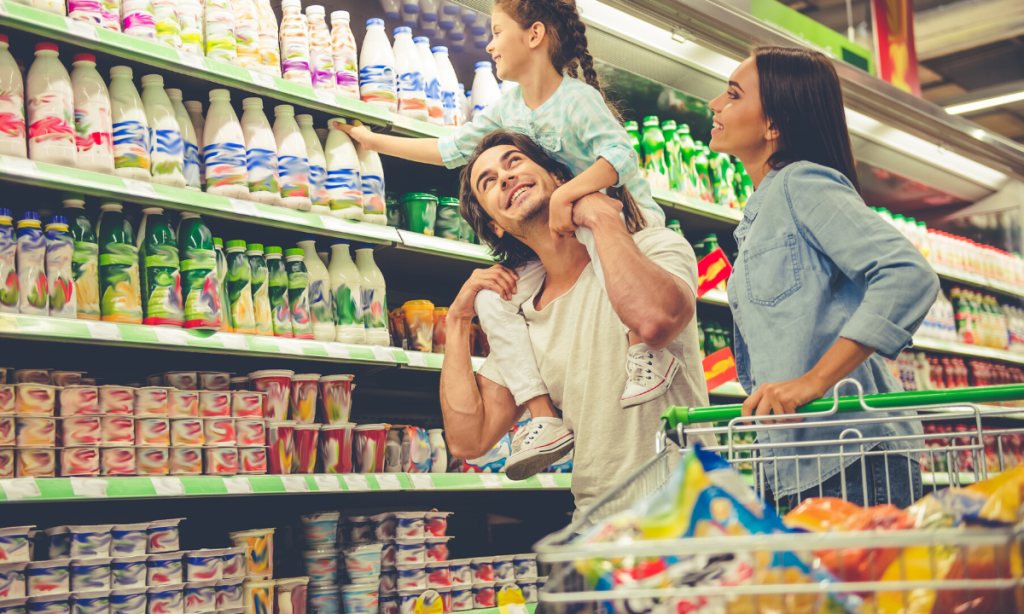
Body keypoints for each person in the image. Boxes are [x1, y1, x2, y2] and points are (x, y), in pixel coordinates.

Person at [341, 0, 676, 479]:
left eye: (497, 32)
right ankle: (542, 417)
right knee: (493, 299)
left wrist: (572, 196)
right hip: (566, 234)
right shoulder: (508, 109)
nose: (491, 45)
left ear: (535, 35)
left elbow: (621, 157)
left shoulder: (577, 99)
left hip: (621, 223)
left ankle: (644, 352)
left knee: (600, 242)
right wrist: (372, 140)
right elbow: (448, 149)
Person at [707, 46, 941, 509]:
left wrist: (813, 382)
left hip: (851, 454)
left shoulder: (802, 183)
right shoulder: (760, 211)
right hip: (802, 460)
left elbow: (907, 273)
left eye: (733, 94)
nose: (715, 103)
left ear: (774, 125)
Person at [439, 130, 713, 512]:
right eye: (488, 182)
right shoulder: (520, 318)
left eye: (513, 161)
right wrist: (457, 319)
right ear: (494, 225)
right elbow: (468, 440)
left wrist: (599, 216)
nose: (503, 177)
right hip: (599, 525)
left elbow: (654, 322)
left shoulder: (653, 247)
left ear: (559, 176)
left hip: (691, 510)